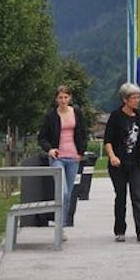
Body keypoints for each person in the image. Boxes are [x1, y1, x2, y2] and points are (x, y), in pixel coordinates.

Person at [102, 82, 140, 242]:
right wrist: (112, 156)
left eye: (138, 97)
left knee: (137, 195)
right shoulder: (116, 116)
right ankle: (120, 229)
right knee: (121, 196)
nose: (136, 100)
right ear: (125, 99)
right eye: (133, 97)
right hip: (119, 164)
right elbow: (108, 140)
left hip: (136, 163)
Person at [37, 84, 87, 227]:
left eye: (66, 97)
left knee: (69, 193)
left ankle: (62, 225)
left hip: (73, 157)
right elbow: (42, 137)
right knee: (62, 192)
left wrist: (81, 152)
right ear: (56, 99)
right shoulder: (51, 116)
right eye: (60, 97)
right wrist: (49, 149)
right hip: (57, 157)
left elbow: (83, 133)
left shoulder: (76, 113)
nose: (63, 100)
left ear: (70, 98)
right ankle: (59, 223)